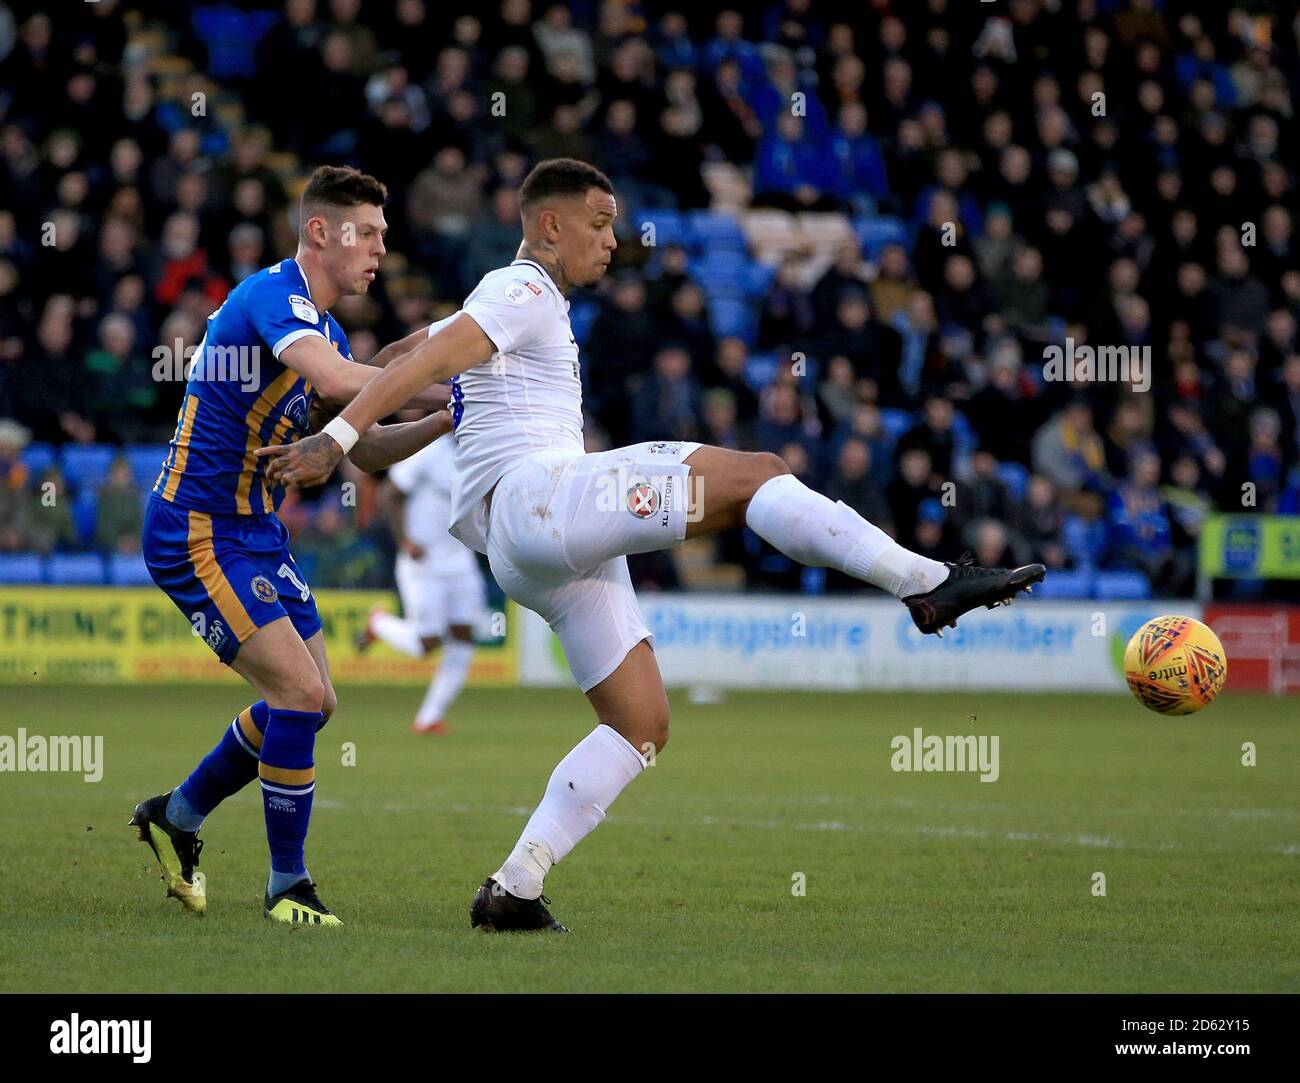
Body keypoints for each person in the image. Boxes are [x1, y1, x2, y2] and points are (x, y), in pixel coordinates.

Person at [259, 159, 1045, 933]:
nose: (613, 239)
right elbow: (406, 383)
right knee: (759, 473)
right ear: (549, 225)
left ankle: (515, 885)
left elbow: (395, 385)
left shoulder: (504, 310)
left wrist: (422, 413)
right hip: (542, 500)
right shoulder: (520, 286)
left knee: (640, 723)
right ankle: (926, 579)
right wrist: (337, 434)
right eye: (599, 224)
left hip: (525, 547)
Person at [131, 166, 452, 926]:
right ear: (321, 232)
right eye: (367, 233)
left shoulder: (327, 331)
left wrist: (446, 418)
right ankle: (286, 884)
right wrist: (435, 372)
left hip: (254, 532)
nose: (380, 249)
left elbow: (364, 449)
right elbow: (347, 380)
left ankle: (176, 816)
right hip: (196, 526)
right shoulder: (273, 299)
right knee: (298, 696)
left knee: (315, 702)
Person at [356, 432, 488, 733]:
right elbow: (388, 494)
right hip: (423, 561)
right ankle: (378, 623)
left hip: (460, 560)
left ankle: (429, 717)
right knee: (425, 643)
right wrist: (404, 541)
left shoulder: (480, 452)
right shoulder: (429, 451)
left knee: (465, 635)